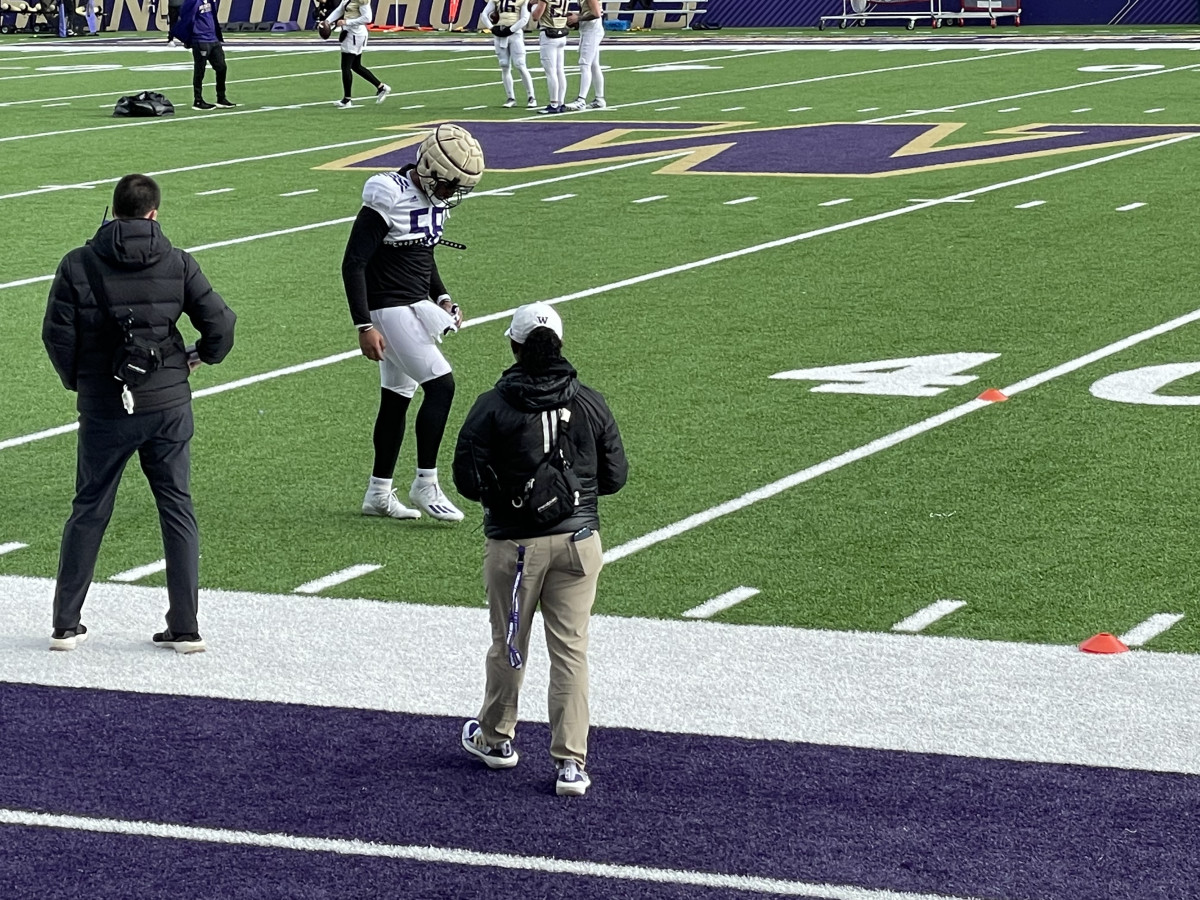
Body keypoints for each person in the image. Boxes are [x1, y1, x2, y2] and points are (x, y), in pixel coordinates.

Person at [41, 174, 236, 654]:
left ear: (113, 211)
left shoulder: (77, 264)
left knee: (89, 509)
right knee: (177, 509)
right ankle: (185, 628)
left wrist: (80, 382)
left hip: (105, 406)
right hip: (167, 403)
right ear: (154, 213)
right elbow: (221, 322)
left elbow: (57, 336)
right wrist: (200, 356)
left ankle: (66, 624)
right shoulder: (177, 262)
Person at [452, 302, 628, 797]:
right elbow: (615, 477)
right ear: (561, 346)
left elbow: (465, 479)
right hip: (579, 542)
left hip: (514, 546)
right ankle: (571, 763)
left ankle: (496, 739)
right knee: (571, 651)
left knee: (509, 643)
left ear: (514, 345)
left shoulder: (492, 405)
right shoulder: (591, 402)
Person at [341, 123, 484, 523]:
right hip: (389, 308)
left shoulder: (431, 198)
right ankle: (426, 482)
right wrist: (362, 324)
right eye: (447, 185)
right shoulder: (388, 193)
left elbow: (424, 253)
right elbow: (353, 262)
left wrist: (443, 296)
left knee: (396, 399)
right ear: (427, 168)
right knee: (442, 385)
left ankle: (379, 491)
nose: (450, 194)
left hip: (413, 303)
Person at [321, 0, 390, 109]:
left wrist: (347, 22)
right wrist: (327, 21)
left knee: (346, 66)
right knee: (356, 66)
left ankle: (347, 99)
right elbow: (340, 9)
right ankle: (381, 87)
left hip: (355, 34)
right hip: (350, 33)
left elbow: (367, 18)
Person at [175, 0, 236, 110]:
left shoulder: (210, 1)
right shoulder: (192, 1)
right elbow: (185, 18)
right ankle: (198, 100)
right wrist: (188, 38)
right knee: (200, 70)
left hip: (213, 39)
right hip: (200, 40)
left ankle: (221, 98)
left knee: (222, 67)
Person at [481, 0, 537, 109]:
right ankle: (511, 97)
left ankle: (531, 97)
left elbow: (525, 18)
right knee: (504, 65)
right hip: (500, 34)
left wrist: (511, 29)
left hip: (515, 34)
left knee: (520, 65)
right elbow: (484, 14)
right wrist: (492, 28)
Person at [564, 0, 605, 110]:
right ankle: (599, 98)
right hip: (590, 29)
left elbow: (596, 13)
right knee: (594, 65)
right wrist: (577, 16)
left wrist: (578, 18)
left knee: (584, 63)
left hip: (592, 30)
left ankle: (581, 100)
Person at [530, 0, 569, 114]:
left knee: (551, 72)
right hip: (561, 33)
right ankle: (561, 102)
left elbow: (536, 16)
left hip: (549, 34)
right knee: (559, 71)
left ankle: (554, 103)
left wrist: (533, 7)